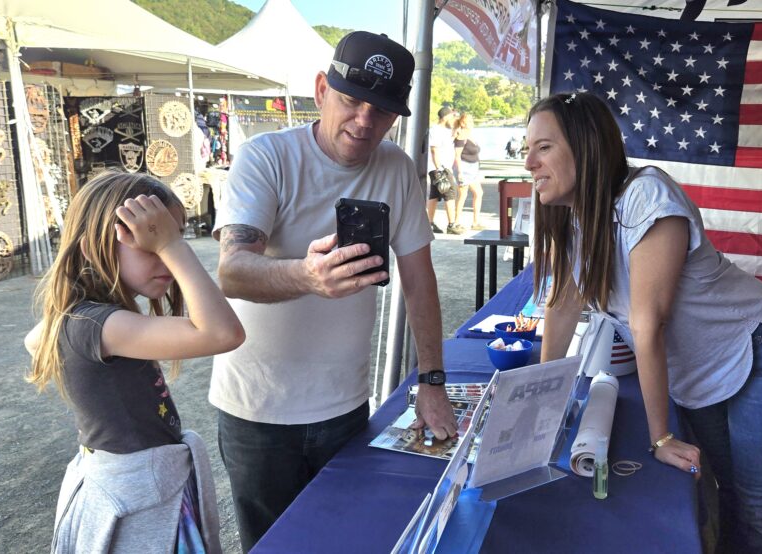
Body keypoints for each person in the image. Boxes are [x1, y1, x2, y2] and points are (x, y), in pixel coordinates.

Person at [528, 92, 762, 553]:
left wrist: (660, 437)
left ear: (586, 146)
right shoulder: (573, 216)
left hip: (760, 351)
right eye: (527, 150)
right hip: (699, 370)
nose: (529, 164)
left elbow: (648, 324)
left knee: (758, 508)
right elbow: (562, 304)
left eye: (543, 148)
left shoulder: (646, 195)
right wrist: (541, 395)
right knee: (728, 488)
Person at [212, 31, 459, 551]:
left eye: (382, 111)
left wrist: (432, 380)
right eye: (351, 100)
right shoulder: (266, 157)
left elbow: (419, 279)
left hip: (344, 406)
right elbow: (232, 271)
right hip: (258, 410)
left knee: (346, 540)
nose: (364, 121)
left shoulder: (396, 168)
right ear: (322, 89)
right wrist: (306, 277)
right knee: (273, 545)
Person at [24, 172, 245, 554]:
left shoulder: (85, 320)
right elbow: (224, 333)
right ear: (95, 246)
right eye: (151, 245)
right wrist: (173, 247)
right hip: (138, 502)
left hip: (144, 490)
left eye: (171, 238)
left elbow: (33, 339)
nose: (166, 257)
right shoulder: (99, 325)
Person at [428, 106, 462, 234]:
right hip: (440, 168)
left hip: (443, 167)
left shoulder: (446, 130)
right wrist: (439, 169)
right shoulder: (435, 130)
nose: (453, 118)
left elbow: (446, 144)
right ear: (446, 117)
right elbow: (434, 149)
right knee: (450, 193)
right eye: (452, 116)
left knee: (434, 195)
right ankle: (451, 224)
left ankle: (430, 223)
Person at [452, 112, 485, 231]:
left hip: (473, 167)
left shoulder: (471, 135)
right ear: (463, 123)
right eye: (469, 121)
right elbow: (457, 155)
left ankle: (475, 222)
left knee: (478, 193)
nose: (471, 123)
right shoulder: (461, 136)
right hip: (464, 167)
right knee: (462, 195)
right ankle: (456, 222)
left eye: (472, 121)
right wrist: (460, 172)